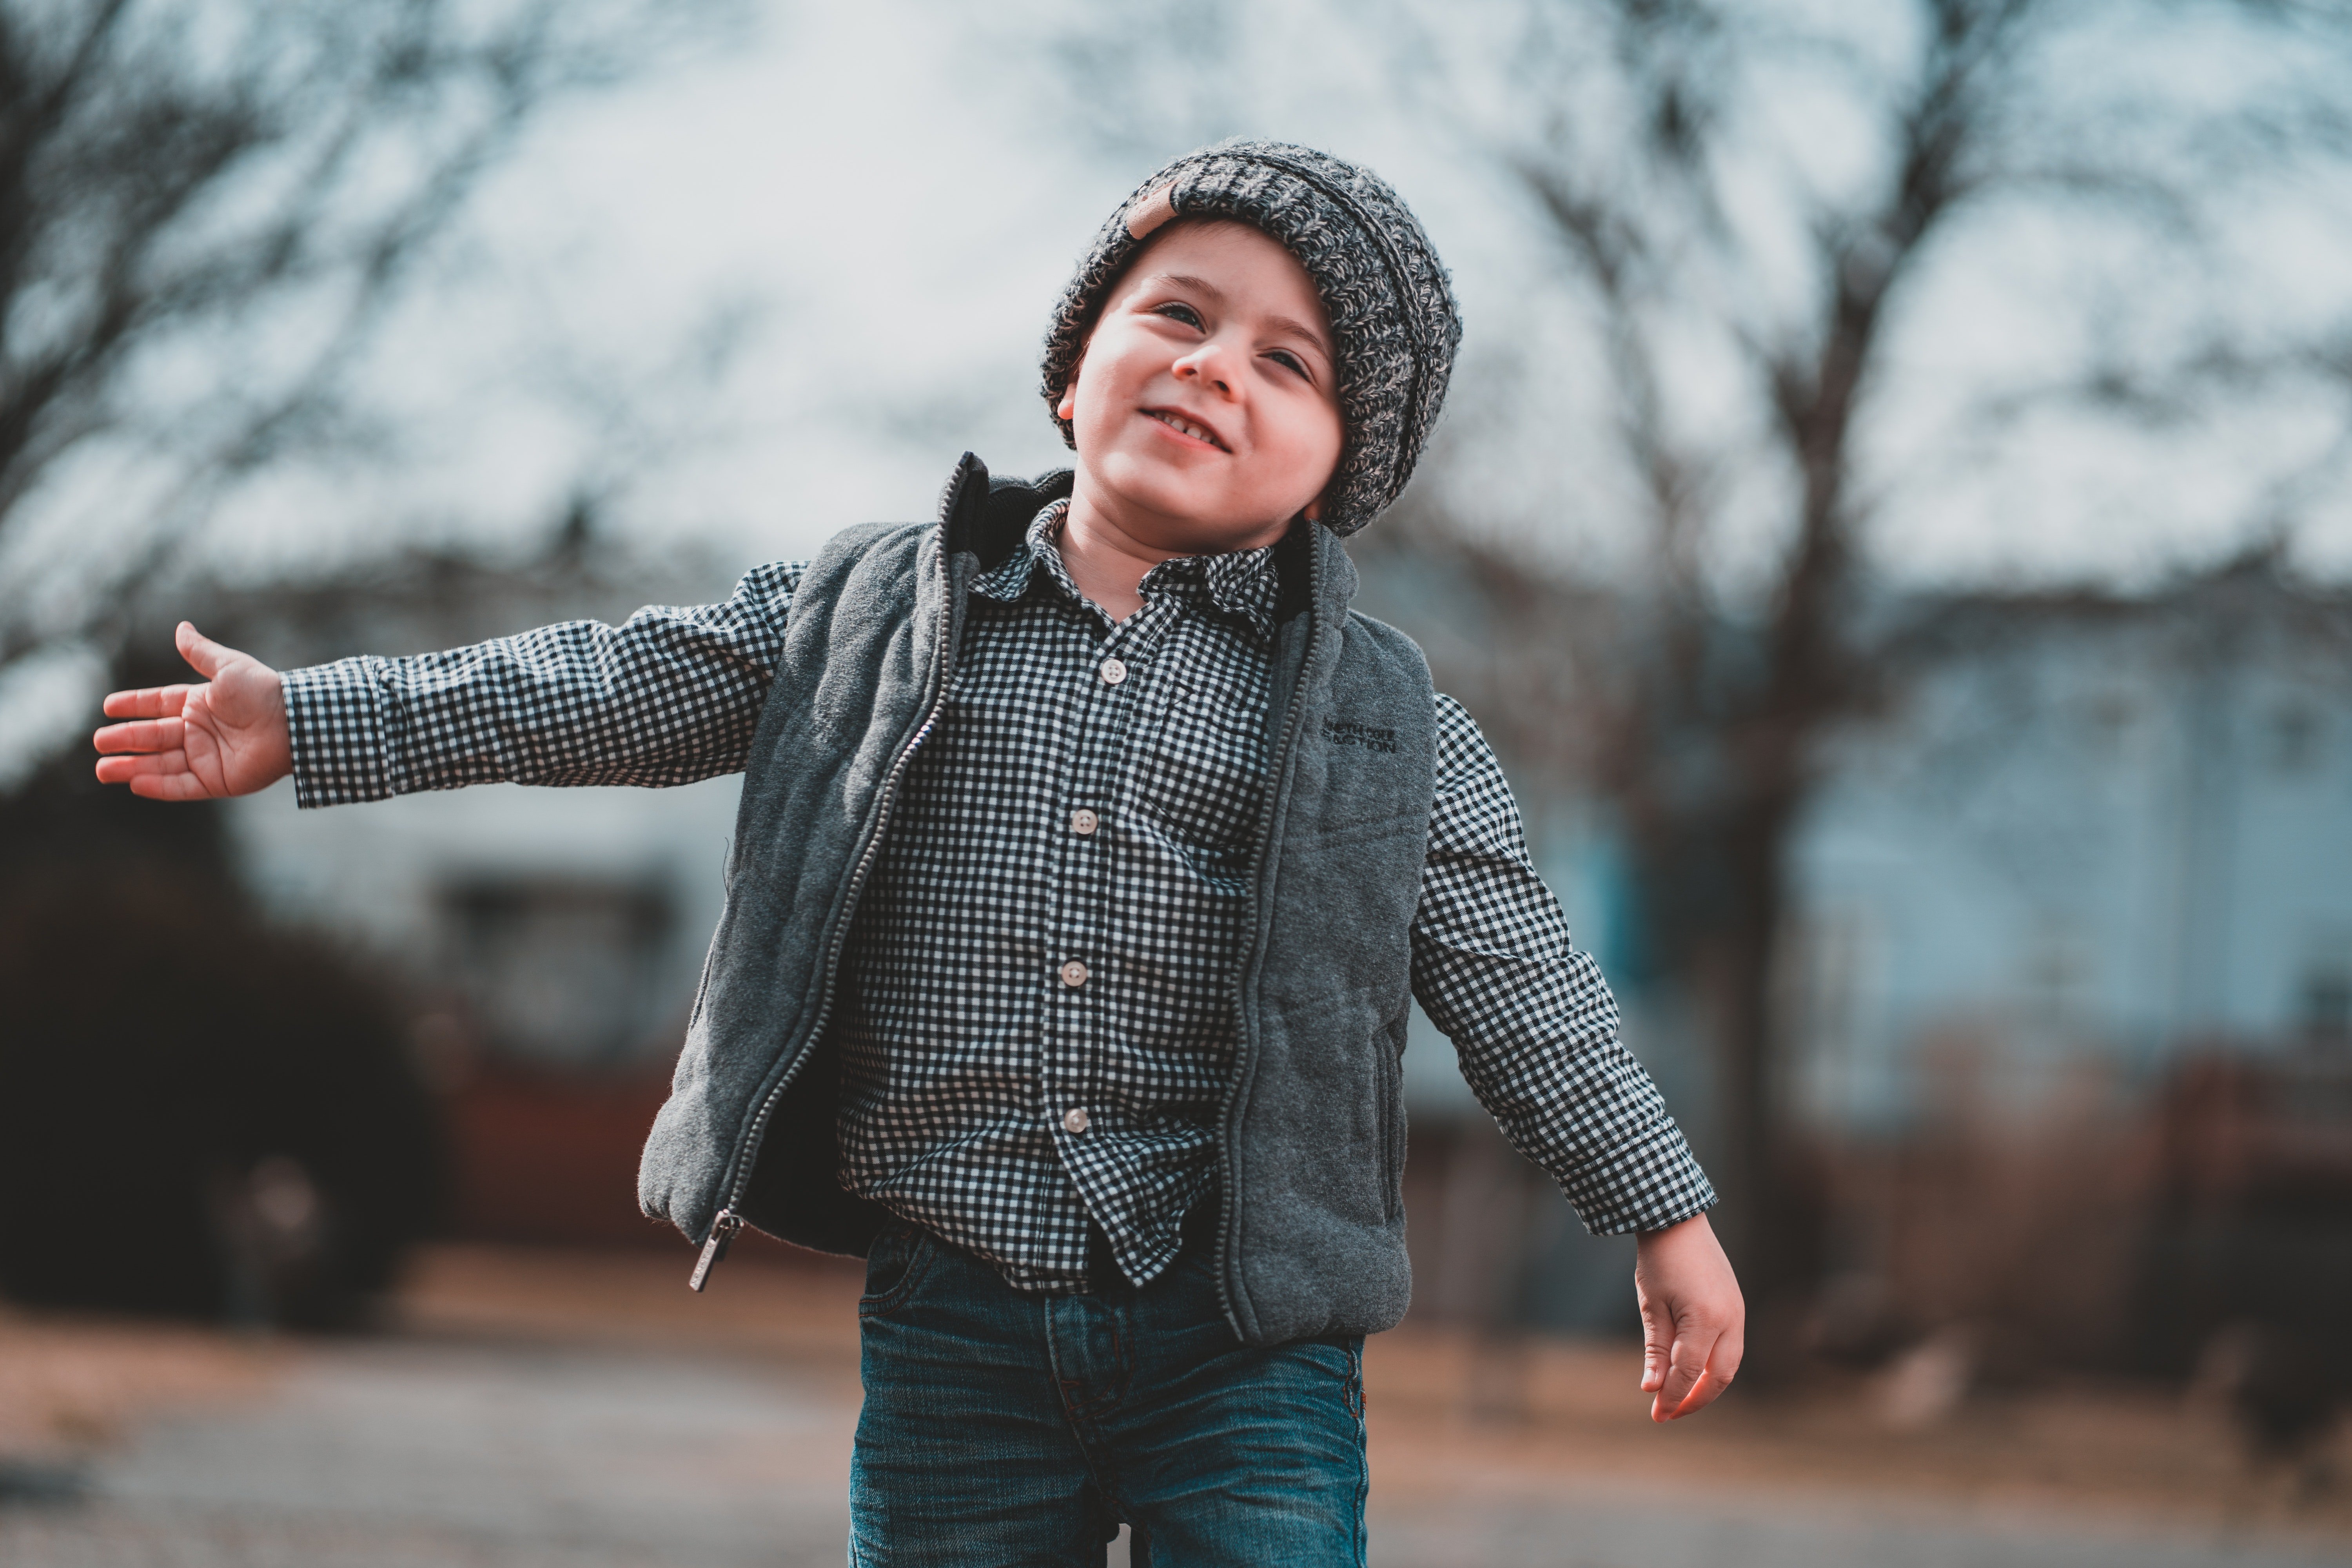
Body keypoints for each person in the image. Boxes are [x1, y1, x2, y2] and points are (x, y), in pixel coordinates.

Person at [94, 140, 1743, 1565]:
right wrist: (316, 716)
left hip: (1246, 1335)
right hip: (958, 1313)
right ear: (1071, 363)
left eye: (1289, 362)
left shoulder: (1379, 720)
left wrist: (1663, 1213)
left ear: (1336, 479)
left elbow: (1524, 974)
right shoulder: (876, 613)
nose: (1216, 366)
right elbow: (607, 684)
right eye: (1175, 313)